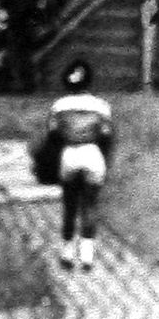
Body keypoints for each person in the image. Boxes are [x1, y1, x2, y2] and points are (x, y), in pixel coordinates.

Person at [46, 59, 113, 269]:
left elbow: (52, 134)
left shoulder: (59, 105)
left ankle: (67, 252)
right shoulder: (101, 106)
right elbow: (106, 135)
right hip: (92, 154)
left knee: (69, 205)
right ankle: (87, 256)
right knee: (90, 205)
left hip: (70, 154)